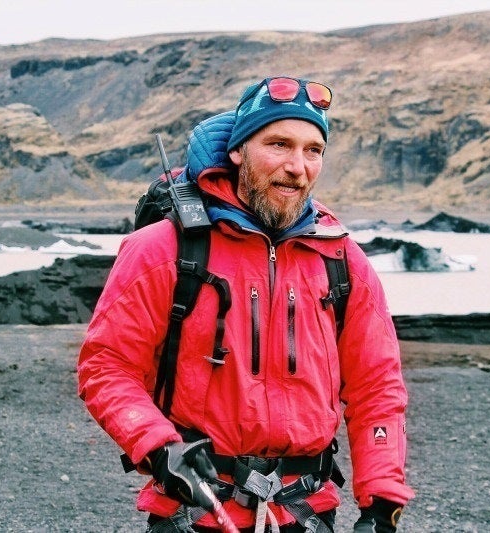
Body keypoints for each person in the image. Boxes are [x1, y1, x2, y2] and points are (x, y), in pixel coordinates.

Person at [77, 76, 414, 532]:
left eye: (312, 150)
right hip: (195, 513)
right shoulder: (163, 249)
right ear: (237, 152)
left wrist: (382, 503)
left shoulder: (341, 259)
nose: (298, 166)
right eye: (279, 144)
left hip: (307, 514)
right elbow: (107, 365)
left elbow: (377, 386)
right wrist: (159, 448)